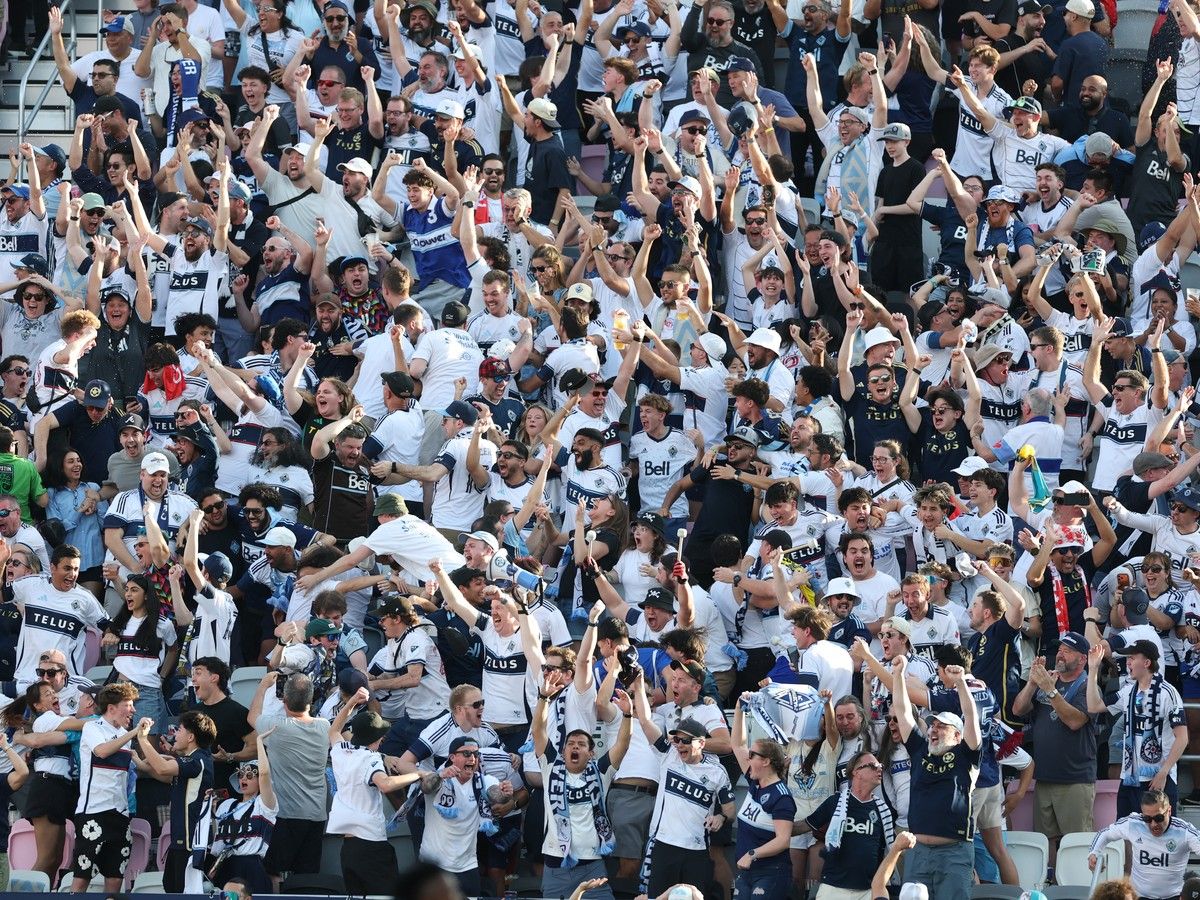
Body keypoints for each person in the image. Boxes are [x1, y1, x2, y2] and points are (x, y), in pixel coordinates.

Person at [890, 655, 982, 898]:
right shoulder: (920, 750)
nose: (933, 729)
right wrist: (898, 675)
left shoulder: (966, 755)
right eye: (932, 725)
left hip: (954, 853)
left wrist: (961, 683)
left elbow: (971, 718)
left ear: (957, 736)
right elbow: (902, 710)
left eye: (941, 726)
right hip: (917, 852)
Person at [327, 688, 421, 896]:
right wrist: (418, 775)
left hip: (348, 848)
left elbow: (333, 730)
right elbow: (385, 784)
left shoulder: (341, 751)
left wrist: (351, 702)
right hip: (372, 847)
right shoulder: (372, 758)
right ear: (375, 739)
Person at [1087, 639, 1188, 816]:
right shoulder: (1128, 691)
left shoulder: (1167, 692)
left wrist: (1164, 772)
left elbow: (1182, 737)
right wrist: (1093, 669)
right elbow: (1094, 706)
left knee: (1159, 838)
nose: (1128, 662)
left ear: (1147, 663)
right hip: (1130, 778)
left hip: (1156, 779)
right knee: (1128, 836)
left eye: (1132, 658)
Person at [70, 682, 144, 893]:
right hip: (93, 813)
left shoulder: (124, 735)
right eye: (129, 705)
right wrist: (134, 733)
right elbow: (101, 751)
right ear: (112, 707)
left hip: (120, 814)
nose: (133, 710)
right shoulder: (92, 727)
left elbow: (137, 762)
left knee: (114, 878)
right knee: (82, 877)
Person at [136, 710, 217, 893]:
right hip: (179, 840)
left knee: (182, 892)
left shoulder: (198, 760)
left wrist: (142, 738)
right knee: (171, 888)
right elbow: (161, 773)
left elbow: (163, 768)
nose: (175, 734)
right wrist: (135, 758)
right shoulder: (192, 760)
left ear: (190, 737)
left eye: (179, 730)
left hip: (190, 842)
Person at [729, 694, 796, 900]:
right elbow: (737, 745)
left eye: (752, 755)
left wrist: (752, 854)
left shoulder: (781, 797)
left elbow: (783, 840)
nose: (747, 758)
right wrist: (739, 708)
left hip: (771, 872)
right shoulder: (755, 781)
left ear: (766, 761)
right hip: (748, 872)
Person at [1089, 789, 1200, 900]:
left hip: (1174, 896)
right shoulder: (1133, 823)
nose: (1153, 824)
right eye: (1147, 818)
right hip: (1139, 895)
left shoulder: (1184, 831)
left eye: (1159, 818)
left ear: (1169, 810)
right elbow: (1104, 834)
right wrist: (1094, 853)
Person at [204, 731, 278, 895]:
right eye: (241, 775)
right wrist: (211, 808)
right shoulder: (227, 805)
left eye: (251, 775)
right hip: (225, 864)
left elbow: (265, 774)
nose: (244, 778)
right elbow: (216, 837)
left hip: (251, 865)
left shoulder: (264, 804)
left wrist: (259, 742)